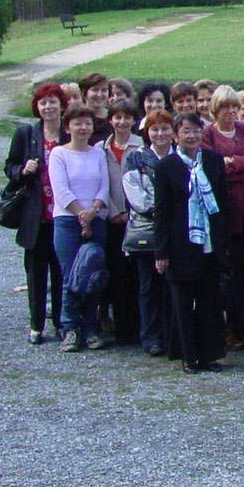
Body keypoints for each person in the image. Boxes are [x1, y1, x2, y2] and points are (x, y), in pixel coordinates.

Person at [153, 112, 229, 373]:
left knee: (210, 301)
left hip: (209, 241)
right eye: (186, 131)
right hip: (180, 243)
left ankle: (210, 354)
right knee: (183, 303)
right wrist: (161, 251)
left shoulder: (213, 160)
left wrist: (223, 241)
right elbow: (161, 212)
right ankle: (188, 356)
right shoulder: (166, 167)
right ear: (176, 135)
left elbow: (223, 203)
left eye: (196, 130)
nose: (192, 135)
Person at [200, 87, 244, 351]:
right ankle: (231, 328)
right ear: (215, 109)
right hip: (223, 211)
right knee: (230, 272)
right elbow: (211, 165)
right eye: (224, 107)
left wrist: (231, 163)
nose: (230, 112)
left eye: (233, 106)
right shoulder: (207, 133)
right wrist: (239, 164)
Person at [5, 83, 66, 345]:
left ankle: (62, 322)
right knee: (36, 272)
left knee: (62, 272)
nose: (48, 107)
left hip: (64, 216)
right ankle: (36, 324)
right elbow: (9, 167)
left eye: (53, 101)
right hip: (36, 215)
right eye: (43, 103)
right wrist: (22, 170)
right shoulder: (26, 134)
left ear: (62, 105)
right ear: (37, 107)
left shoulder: (69, 133)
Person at [49, 104, 111, 352]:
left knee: (93, 275)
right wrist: (80, 215)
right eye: (78, 123)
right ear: (68, 127)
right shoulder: (59, 154)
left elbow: (104, 186)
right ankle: (70, 328)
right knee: (70, 275)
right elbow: (61, 190)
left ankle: (91, 327)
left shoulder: (97, 153)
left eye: (87, 123)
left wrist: (93, 211)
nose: (83, 128)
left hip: (96, 218)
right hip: (67, 220)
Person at [122, 109, 173, 356]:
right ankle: (150, 336)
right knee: (148, 285)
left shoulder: (180, 157)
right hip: (148, 230)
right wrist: (162, 210)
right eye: (155, 129)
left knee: (173, 285)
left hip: (177, 231)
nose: (160, 134)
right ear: (147, 132)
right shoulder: (135, 158)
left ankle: (172, 333)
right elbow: (136, 196)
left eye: (165, 128)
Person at [100, 98, 142, 344]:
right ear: (111, 120)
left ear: (134, 120)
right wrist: (114, 211)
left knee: (136, 275)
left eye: (127, 117)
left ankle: (138, 326)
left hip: (135, 219)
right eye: (118, 117)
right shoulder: (100, 149)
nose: (122, 122)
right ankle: (122, 329)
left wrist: (130, 212)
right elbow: (99, 182)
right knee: (117, 275)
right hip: (111, 218)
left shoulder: (140, 147)